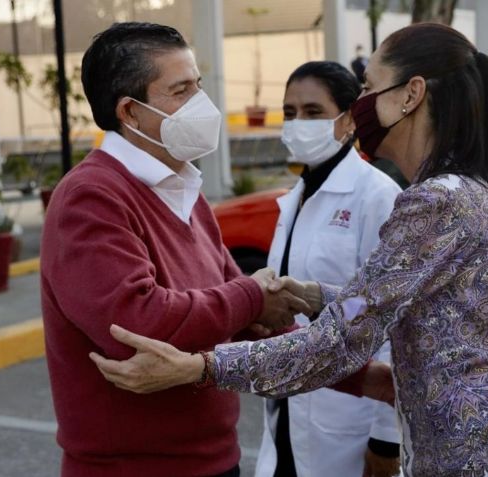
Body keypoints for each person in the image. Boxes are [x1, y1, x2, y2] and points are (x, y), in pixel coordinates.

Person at [90, 23, 488, 477]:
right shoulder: (471, 188)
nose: (360, 105)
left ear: (410, 95)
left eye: (368, 87)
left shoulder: (438, 200)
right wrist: (315, 296)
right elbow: (414, 303)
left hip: (483, 460)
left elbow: (341, 339)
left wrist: (200, 368)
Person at [40, 22, 312, 477]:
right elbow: (138, 321)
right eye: (181, 90)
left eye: (198, 86)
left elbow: (248, 323)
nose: (202, 104)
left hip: (215, 461)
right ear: (130, 111)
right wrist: (251, 296)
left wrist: (362, 378)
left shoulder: (184, 190)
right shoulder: (91, 197)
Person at [260, 61, 402, 477]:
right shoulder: (295, 200)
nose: (298, 123)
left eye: (312, 112)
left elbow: (393, 320)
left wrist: (385, 438)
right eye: (289, 113)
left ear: (348, 119)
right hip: (289, 409)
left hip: (350, 420)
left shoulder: (377, 196)